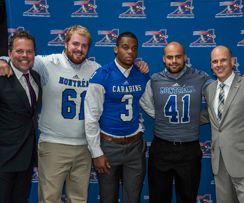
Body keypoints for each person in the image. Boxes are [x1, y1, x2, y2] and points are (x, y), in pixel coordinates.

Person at [0, 25, 148, 203]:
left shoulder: (95, 69)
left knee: (79, 199)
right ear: (65, 43)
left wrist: (139, 65)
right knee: (49, 199)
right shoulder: (47, 63)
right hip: (54, 144)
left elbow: (120, 73)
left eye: (84, 45)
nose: (79, 49)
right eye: (75, 44)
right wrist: (2, 60)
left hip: (84, 147)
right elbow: (22, 58)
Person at [140, 41, 212, 203]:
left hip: (189, 149)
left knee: (187, 198)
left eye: (178, 57)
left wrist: (197, 118)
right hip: (161, 148)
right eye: (170, 57)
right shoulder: (155, 80)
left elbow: (219, 99)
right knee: (158, 198)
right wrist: (161, 117)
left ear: (185, 57)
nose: (174, 61)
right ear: (164, 59)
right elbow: (145, 102)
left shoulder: (200, 77)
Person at [84, 32, 150, 203]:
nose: (130, 52)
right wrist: (96, 152)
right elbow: (91, 117)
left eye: (134, 49)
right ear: (116, 49)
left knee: (133, 198)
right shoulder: (102, 75)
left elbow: (149, 105)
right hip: (109, 145)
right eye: (125, 47)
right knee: (107, 198)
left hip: (135, 145)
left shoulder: (141, 74)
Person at [0, 31, 42, 203]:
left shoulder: (36, 77)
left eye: (29, 51)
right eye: (19, 51)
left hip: (26, 158)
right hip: (3, 159)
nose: (25, 55)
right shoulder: (1, 77)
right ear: (10, 53)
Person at [204, 45, 244, 203]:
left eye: (223, 60)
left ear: (233, 61)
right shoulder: (210, 90)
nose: (218, 64)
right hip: (219, 163)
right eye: (215, 61)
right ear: (211, 65)